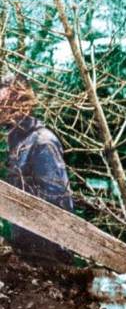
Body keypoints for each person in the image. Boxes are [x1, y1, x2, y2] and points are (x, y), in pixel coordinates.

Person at [0, 74, 75, 266]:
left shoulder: (42, 142)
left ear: (20, 103)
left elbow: (58, 205)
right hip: (24, 249)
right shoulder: (16, 142)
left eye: (4, 103)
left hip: (46, 254)